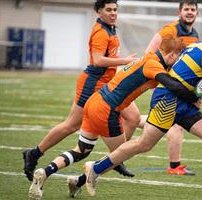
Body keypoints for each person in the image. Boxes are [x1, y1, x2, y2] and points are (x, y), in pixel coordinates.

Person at [82, 27, 202, 200]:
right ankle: (96, 168)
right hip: (169, 99)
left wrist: (196, 94)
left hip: (180, 100)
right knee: (144, 144)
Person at [28, 34, 201, 200]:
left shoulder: (149, 57)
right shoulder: (153, 64)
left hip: (94, 101)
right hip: (107, 109)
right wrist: (197, 95)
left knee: (82, 150)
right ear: (172, 54)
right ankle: (81, 179)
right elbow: (172, 85)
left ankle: (47, 172)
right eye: (177, 58)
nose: (177, 63)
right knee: (120, 156)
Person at [22, 0, 139, 183]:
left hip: (109, 83)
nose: (113, 13)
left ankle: (117, 157)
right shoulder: (101, 32)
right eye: (108, 10)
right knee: (71, 125)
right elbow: (98, 60)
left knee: (133, 117)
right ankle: (34, 153)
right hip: (93, 84)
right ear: (99, 12)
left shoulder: (111, 28)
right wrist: (124, 61)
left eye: (115, 9)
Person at [139, 0, 199, 175]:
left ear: (197, 13)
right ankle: (174, 166)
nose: (189, 12)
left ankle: (133, 120)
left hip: (178, 85)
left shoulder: (194, 34)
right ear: (179, 12)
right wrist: (160, 78)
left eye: (193, 9)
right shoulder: (169, 30)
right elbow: (148, 54)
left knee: (167, 122)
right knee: (175, 124)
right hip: (165, 84)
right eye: (186, 9)